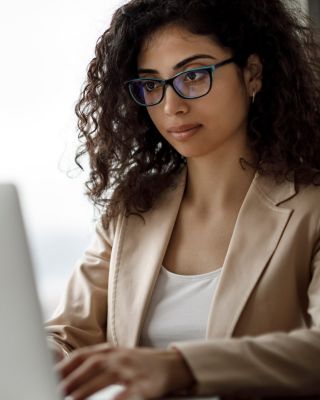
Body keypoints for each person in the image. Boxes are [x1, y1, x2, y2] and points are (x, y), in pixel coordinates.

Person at [45, 0, 320, 399]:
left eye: (193, 75)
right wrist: (41, 356)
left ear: (252, 73)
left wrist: (181, 366)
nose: (172, 106)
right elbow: (67, 334)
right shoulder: (131, 212)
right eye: (152, 85)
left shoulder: (311, 210)